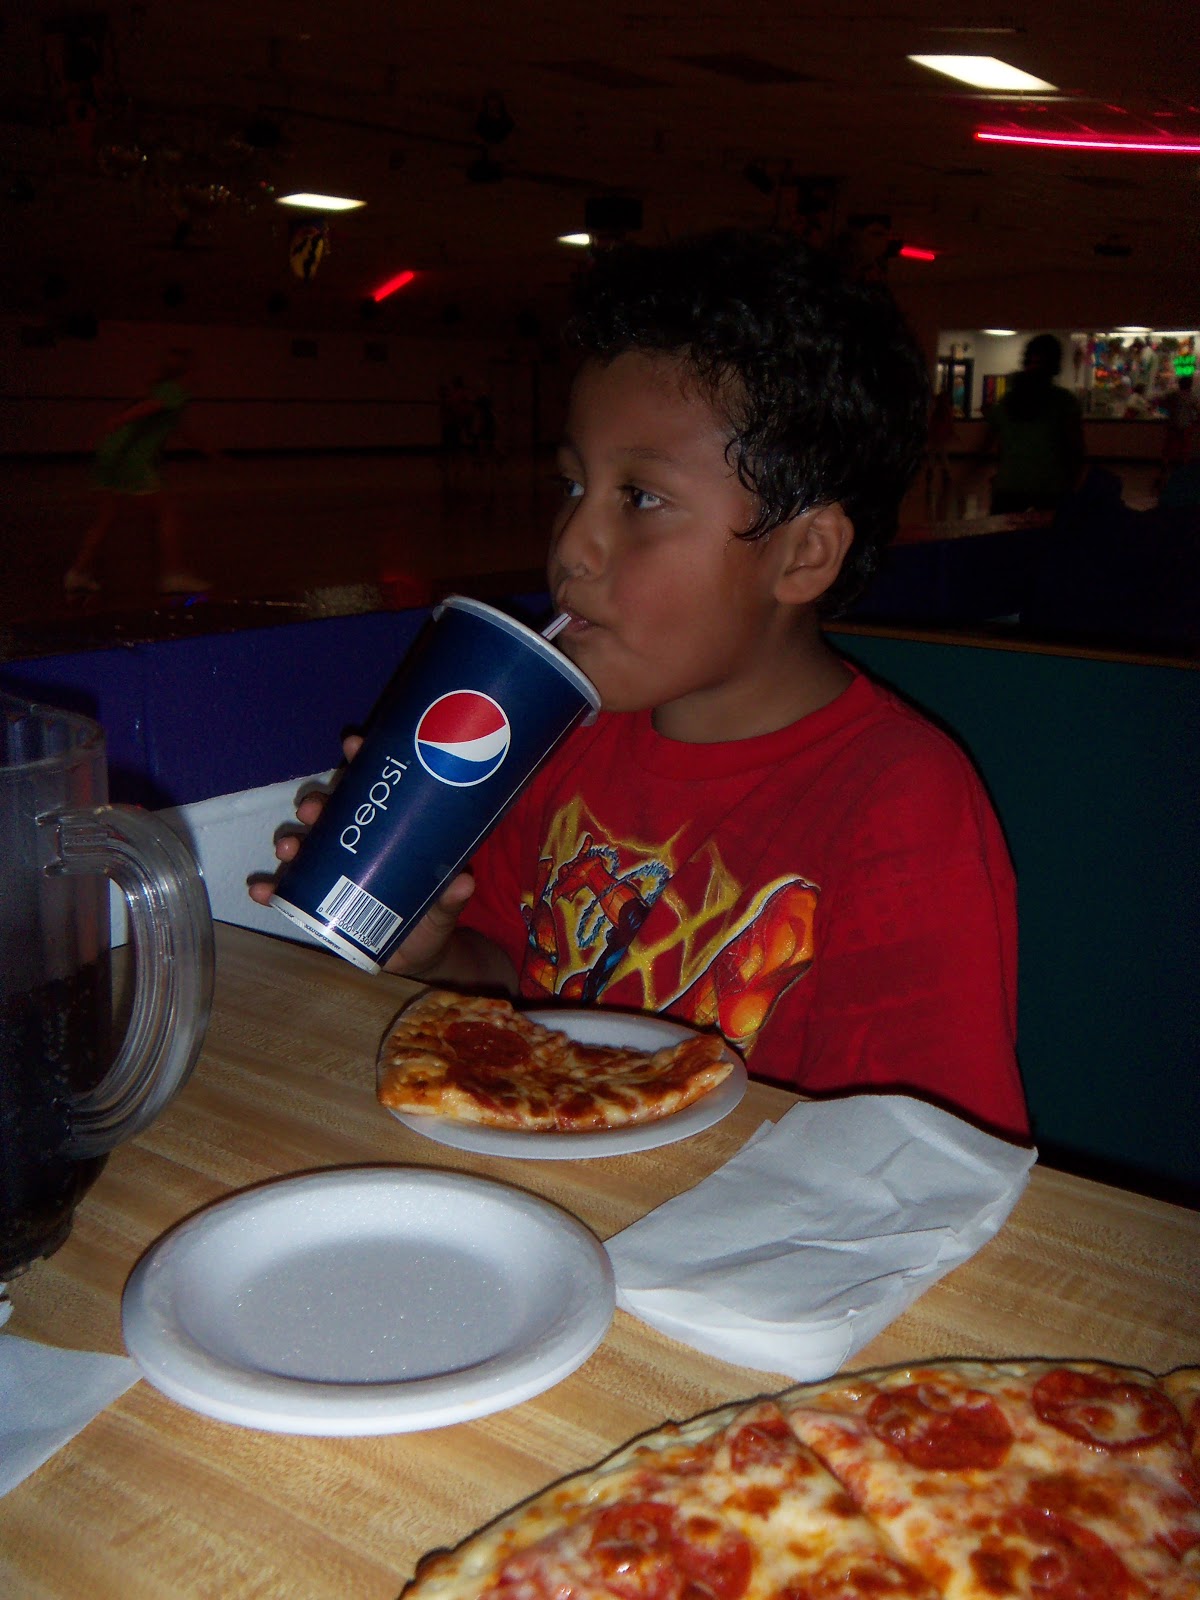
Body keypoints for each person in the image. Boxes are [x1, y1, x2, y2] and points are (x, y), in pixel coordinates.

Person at [252, 229, 1028, 1139]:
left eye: (641, 498)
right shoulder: (560, 737)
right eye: (571, 487)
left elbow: (927, 1154)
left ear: (804, 554)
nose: (572, 546)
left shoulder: (900, 802)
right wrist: (431, 949)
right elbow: (511, 980)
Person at [65, 347, 212, 595]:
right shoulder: (175, 390)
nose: (199, 373)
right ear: (187, 371)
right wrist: (116, 421)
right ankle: (173, 576)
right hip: (132, 460)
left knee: (106, 517)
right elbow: (149, 407)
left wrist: (211, 452)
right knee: (167, 513)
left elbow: (178, 428)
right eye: (196, 368)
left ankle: (77, 573)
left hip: (111, 454)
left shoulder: (162, 390)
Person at [979, 333, 1085, 515]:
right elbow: (1076, 449)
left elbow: (986, 444)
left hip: (1010, 488)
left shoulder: (1008, 402)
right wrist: (1072, 485)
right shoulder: (1064, 402)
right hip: (1051, 490)